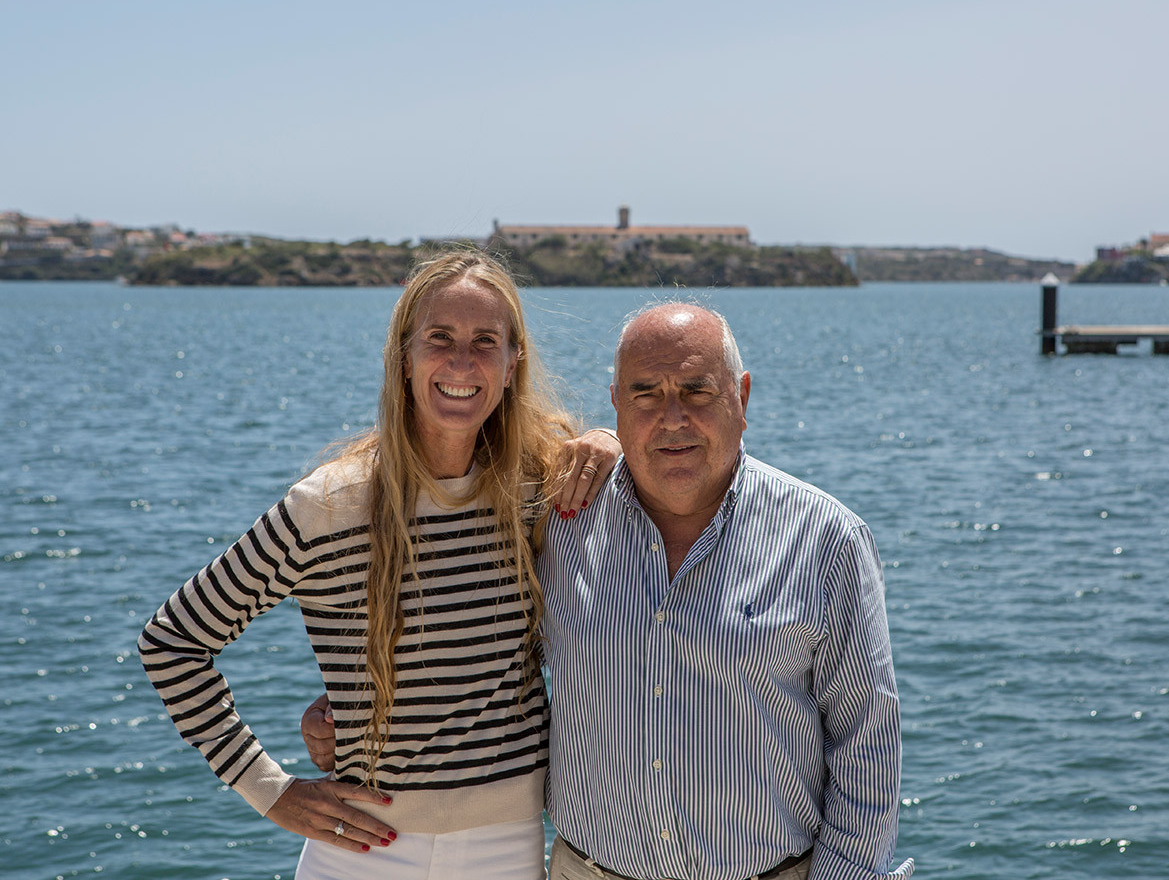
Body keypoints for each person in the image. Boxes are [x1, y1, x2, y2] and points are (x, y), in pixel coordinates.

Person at [302, 301, 914, 879]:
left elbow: (869, 752)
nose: (672, 417)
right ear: (616, 404)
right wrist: (356, 720)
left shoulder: (828, 538)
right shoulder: (559, 518)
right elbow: (464, 644)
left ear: (742, 396)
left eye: (697, 391)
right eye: (645, 394)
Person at [139, 251, 620, 880]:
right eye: (439, 339)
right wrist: (272, 792)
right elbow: (172, 642)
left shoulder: (535, 489)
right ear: (404, 355)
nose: (460, 363)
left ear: (512, 363)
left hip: (508, 845)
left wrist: (607, 441)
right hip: (362, 851)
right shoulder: (330, 506)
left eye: (485, 342)